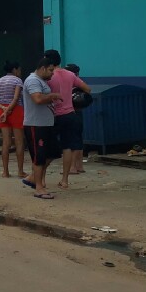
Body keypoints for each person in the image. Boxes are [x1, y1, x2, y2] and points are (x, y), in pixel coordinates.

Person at [42, 50, 91, 189]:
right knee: (67, 147)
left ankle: (42, 179)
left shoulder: (48, 76)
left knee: (47, 148)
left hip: (53, 116)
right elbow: (87, 89)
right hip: (70, 114)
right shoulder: (70, 75)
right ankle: (64, 180)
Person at [22, 57, 63, 199]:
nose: (52, 73)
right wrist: (53, 95)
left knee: (53, 153)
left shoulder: (42, 81)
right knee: (39, 157)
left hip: (46, 124)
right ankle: (38, 188)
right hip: (36, 124)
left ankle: (34, 177)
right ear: (43, 68)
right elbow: (38, 99)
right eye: (51, 70)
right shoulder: (33, 80)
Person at [0, 61, 26, 178]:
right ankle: (20, 171)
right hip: (15, 111)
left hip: (2, 111)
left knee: (6, 142)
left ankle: (5, 172)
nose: (20, 72)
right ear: (15, 70)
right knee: (19, 142)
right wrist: (9, 110)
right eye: (19, 70)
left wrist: (3, 109)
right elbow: (16, 98)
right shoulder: (17, 81)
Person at [63, 64, 87, 174]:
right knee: (78, 139)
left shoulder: (71, 82)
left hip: (72, 113)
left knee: (72, 140)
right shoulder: (79, 83)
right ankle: (79, 166)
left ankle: (72, 167)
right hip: (78, 112)